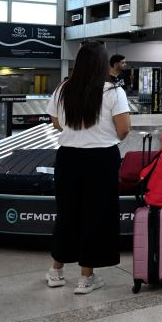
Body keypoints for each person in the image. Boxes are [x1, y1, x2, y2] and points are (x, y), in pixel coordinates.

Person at [45, 41, 131, 294]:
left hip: (68, 157)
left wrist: (77, 131)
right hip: (101, 159)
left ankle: (56, 272)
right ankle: (85, 278)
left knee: (66, 212)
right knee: (96, 214)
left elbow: (56, 123)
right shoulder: (113, 92)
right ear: (103, 63)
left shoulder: (63, 88)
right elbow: (124, 129)